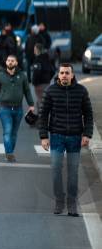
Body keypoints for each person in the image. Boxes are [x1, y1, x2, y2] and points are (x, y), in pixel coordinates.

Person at [39, 63, 93, 216]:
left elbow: (88, 115)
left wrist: (87, 134)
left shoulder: (81, 91)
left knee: (73, 172)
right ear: (58, 75)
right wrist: (43, 137)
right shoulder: (51, 91)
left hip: (75, 137)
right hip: (56, 136)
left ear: (72, 75)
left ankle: (71, 203)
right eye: (61, 73)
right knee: (56, 169)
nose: (64, 75)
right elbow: (43, 115)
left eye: (67, 73)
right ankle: (59, 200)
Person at [0, 55, 35, 162]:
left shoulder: (22, 76)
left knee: (14, 133)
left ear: (16, 63)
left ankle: (9, 153)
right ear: (6, 62)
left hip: (18, 109)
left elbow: (27, 91)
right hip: (4, 109)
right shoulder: (0, 76)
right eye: (8, 60)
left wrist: (31, 104)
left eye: (12, 60)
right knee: (7, 132)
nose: (10, 62)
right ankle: (9, 154)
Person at [31, 44, 56, 114]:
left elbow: (36, 73)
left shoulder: (37, 60)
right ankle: (42, 117)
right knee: (43, 100)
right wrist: (48, 79)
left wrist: (34, 82)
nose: (34, 52)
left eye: (34, 50)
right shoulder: (47, 58)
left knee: (40, 101)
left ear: (38, 50)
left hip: (39, 84)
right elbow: (53, 71)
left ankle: (41, 119)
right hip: (47, 83)